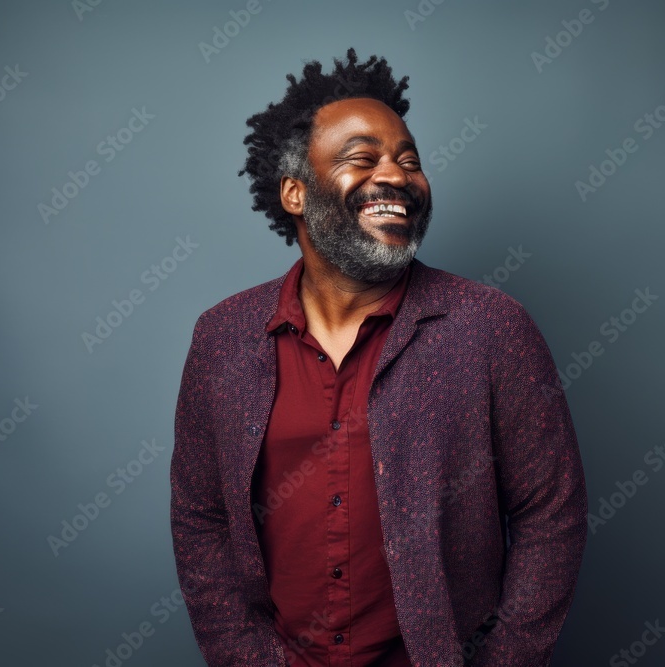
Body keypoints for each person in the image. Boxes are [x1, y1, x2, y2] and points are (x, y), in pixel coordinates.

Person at [170, 48, 587, 667]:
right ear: (294, 192)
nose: (395, 176)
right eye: (362, 158)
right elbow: (200, 516)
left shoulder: (491, 327)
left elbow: (550, 514)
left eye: (409, 161)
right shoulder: (223, 338)